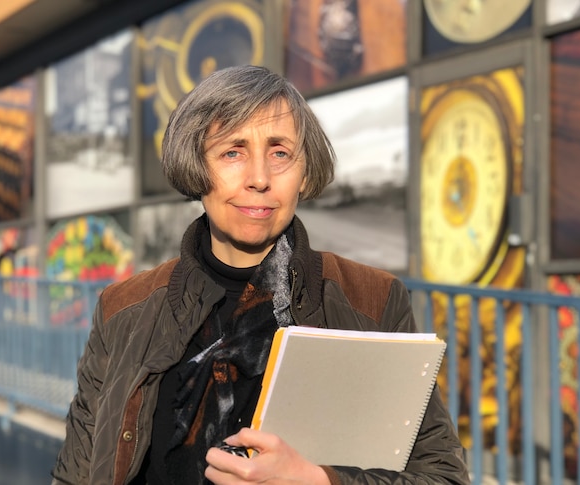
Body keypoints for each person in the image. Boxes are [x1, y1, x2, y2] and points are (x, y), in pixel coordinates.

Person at [51, 65, 469, 485]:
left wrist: (319, 480)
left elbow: (443, 476)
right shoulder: (123, 309)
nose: (259, 179)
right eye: (232, 152)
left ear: (305, 172)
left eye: (280, 153)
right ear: (197, 166)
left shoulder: (373, 301)